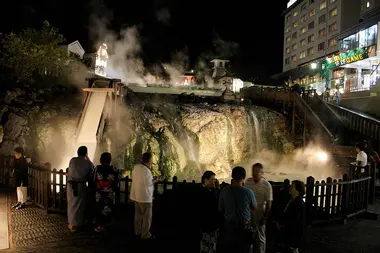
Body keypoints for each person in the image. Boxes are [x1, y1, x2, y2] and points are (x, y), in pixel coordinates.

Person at [217, 166, 257, 253]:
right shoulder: (248, 192)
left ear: (232, 176)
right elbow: (255, 208)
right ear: (243, 178)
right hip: (244, 228)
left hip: (229, 228)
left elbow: (220, 209)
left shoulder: (225, 191)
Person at [245, 163, 273, 253]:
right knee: (248, 235)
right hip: (249, 212)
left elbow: (269, 203)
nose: (254, 173)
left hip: (260, 212)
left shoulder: (266, 185)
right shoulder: (248, 182)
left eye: (257, 171)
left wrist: (265, 217)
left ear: (262, 173)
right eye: (253, 171)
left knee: (260, 236)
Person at [130, 152, 158, 239]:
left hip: (136, 195)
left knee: (138, 216)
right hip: (145, 198)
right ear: (150, 161)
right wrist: (155, 180)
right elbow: (148, 183)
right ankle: (145, 234)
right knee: (147, 217)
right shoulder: (146, 170)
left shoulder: (136, 167)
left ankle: (137, 231)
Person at [67, 146, 94, 232]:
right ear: (86, 153)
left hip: (71, 185)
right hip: (81, 186)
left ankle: (71, 224)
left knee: (71, 204)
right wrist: (88, 158)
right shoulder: (87, 163)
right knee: (79, 205)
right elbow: (92, 169)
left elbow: (69, 170)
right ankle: (78, 224)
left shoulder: (73, 160)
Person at [93, 152, 121, 232]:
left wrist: (100, 184)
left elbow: (93, 179)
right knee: (108, 207)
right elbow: (118, 179)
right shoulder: (114, 169)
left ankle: (100, 225)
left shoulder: (97, 168)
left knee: (100, 207)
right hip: (110, 193)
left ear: (101, 159)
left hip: (99, 192)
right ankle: (108, 224)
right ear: (110, 160)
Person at [276, 180, 307, 253]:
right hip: (289, 236)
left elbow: (295, 222)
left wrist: (282, 226)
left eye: (292, 187)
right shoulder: (292, 201)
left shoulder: (298, 203)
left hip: (292, 237)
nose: (290, 188)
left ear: (297, 190)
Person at [199, 171, 221, 253]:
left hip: (210, 225)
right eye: (212, 180)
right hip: (208, 225)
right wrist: (216, 189)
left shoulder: (209, 190)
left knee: (210, 245)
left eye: (215, 180)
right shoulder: (203, 191)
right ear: (206, 180)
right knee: (207, 246)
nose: (214, 182)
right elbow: (214, 203)